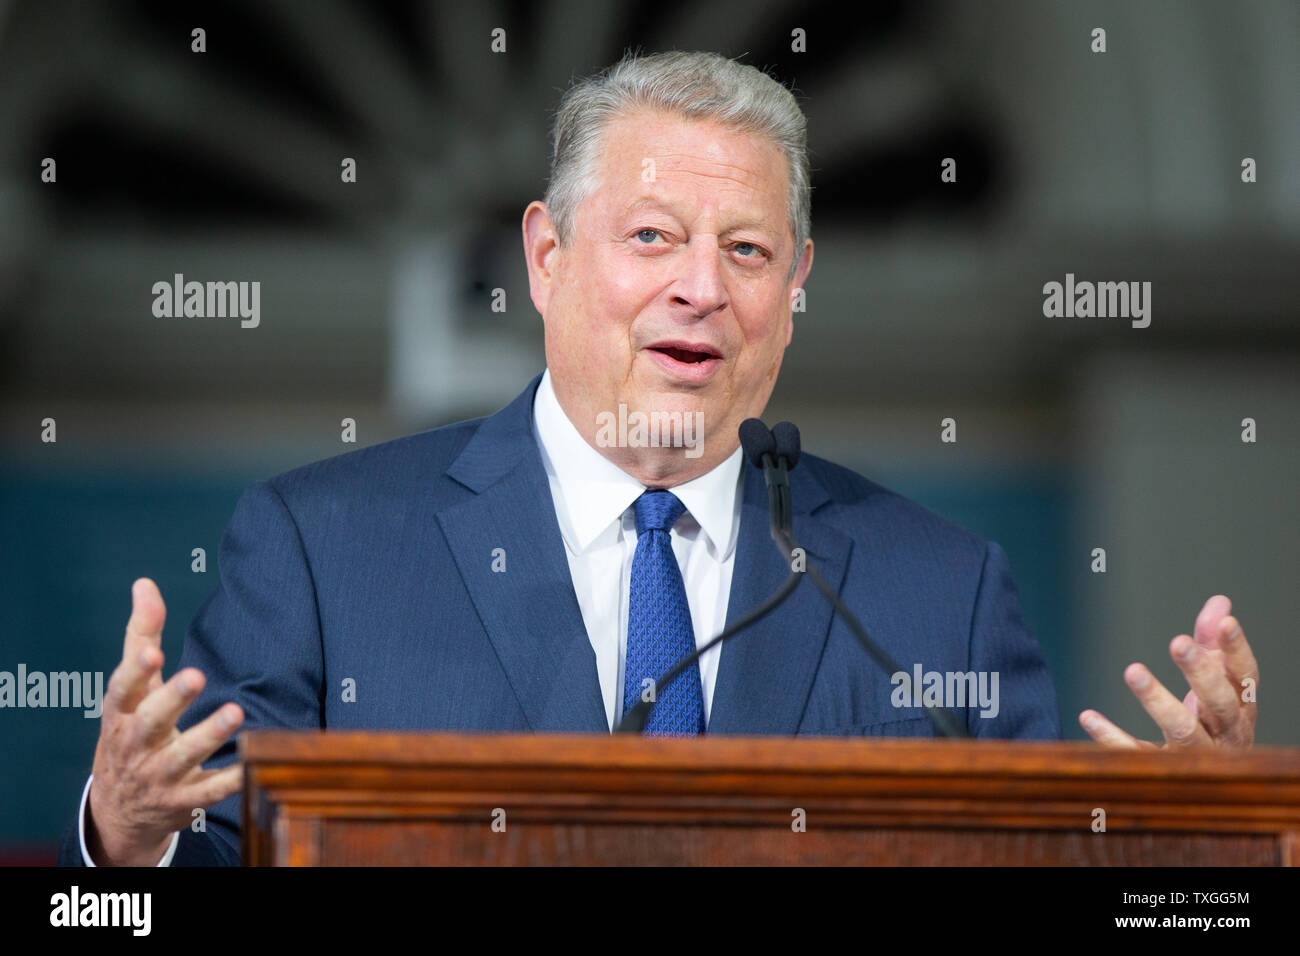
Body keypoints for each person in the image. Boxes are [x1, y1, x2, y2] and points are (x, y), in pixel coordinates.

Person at [59, 50, 1258, 867]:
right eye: (652, 237)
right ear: (545, 256)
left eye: (746, 249)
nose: (700, 286)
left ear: (794, 291)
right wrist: (126, 836)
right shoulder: (324, 552)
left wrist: (1201, 852)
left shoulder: (931, 596)